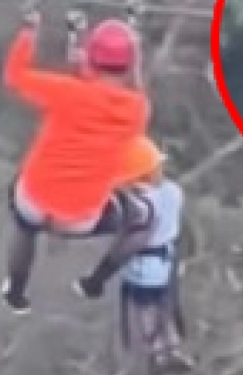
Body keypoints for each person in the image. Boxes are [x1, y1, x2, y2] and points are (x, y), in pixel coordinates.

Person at [0, 1, 151, 314]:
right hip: (80, 217)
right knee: (141, 220)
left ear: (89, 58)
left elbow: (15, 76)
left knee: (25, 219)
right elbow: (130, 83)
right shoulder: (137, 110)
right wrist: (132, 35)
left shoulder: (67, 93)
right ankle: (94, 282)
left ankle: (16, 290)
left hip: (34, 197)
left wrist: (29, 31)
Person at [73, 136, 194, 373]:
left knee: (143, 309)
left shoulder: (140, 205)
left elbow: (129, 243)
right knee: (165, 305)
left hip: (143, 266)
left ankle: (158, 355)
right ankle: (172, 349)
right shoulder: (173, 192)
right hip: (167, 262)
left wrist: (98, 278)